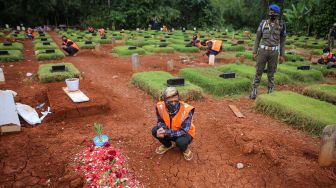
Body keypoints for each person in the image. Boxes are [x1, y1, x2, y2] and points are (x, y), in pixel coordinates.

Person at [250, 4, 286, 100]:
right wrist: (254, 51)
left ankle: (270, 89)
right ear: (268, 13)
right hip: (263, 51)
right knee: (259, 71)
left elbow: (282, 41)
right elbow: (257, 38)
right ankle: (254, 90)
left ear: (277, 14)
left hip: (274, 53)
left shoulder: (282, 25)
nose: (272, 14)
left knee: (271, 72)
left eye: (273, 12)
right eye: (270, 12)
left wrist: (282, 55)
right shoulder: (263, 23)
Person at [151, 87, 195, 161]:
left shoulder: (186, 110)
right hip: (169, 131)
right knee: (155, 130)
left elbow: (183, 131)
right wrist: (162, 129)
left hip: (185, 133)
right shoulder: (160, 107)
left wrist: (166, 132)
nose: (174, 103)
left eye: (175, 100)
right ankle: (168, 145)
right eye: (170, 101)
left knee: (181, 142)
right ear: (164, 100)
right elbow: (160, 120)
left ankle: (185, 149)